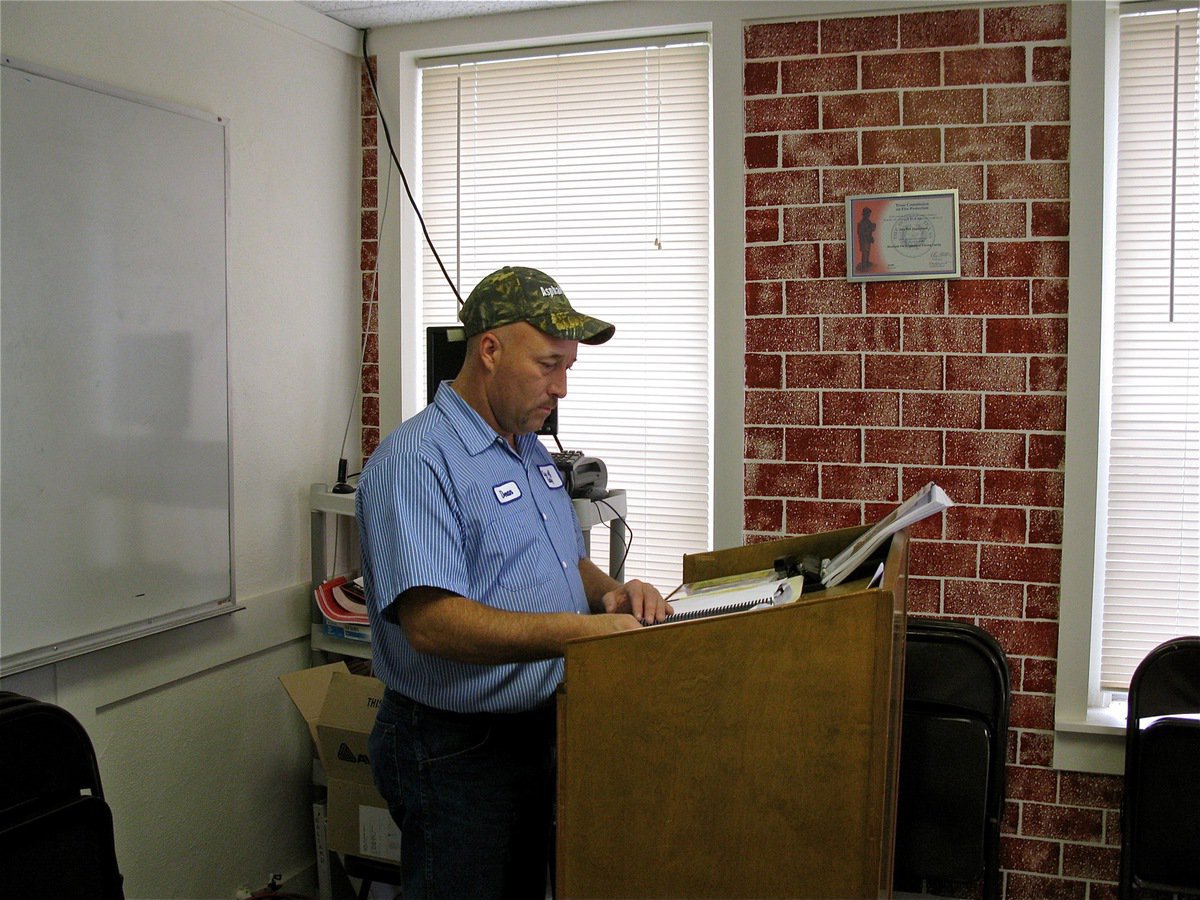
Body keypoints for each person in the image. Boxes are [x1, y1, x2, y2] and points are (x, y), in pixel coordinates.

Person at [355, 264, 670, 899]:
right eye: (549, 365)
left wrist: (608, 592)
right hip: (456, 749)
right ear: (490, 350)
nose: (561, 388)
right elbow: (432, 624)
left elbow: (560, 560)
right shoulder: (417, 461)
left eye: (568, 369)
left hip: (536, 730)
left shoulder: (527, 447)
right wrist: (581, 634)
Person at [857, 206, 876, 271]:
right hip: (863, 240)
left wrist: (872, 229)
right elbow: (861, 232)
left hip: (867, 240)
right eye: (868, 214)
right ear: (864, 214)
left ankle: (867, 262)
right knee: (864, 252)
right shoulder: (862, 222)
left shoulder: (868, 221)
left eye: (869, 214)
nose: (869, 215)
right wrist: (869, 229)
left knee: (868, 251)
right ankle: (864, 265)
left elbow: (870, 229)